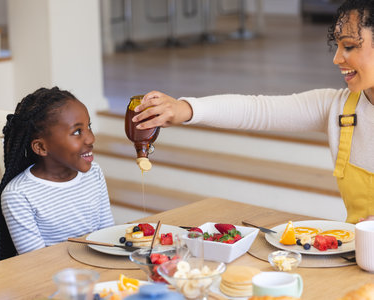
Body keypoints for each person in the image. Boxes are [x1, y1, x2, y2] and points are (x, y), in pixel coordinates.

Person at [132, 0, 374, 224]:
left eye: (349, 46)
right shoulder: (339, 109)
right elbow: (256, 109)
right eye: (338, 45)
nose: (337, 58)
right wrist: (185, 109)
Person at [0, 87, 115, 260]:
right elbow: (38, 262)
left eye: (88, 127)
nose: (91, 139)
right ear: (41, 147)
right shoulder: (18, 195)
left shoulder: (93, 173)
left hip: (97, 270)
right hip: (55, 281)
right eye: (76, 132)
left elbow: (106, 236)